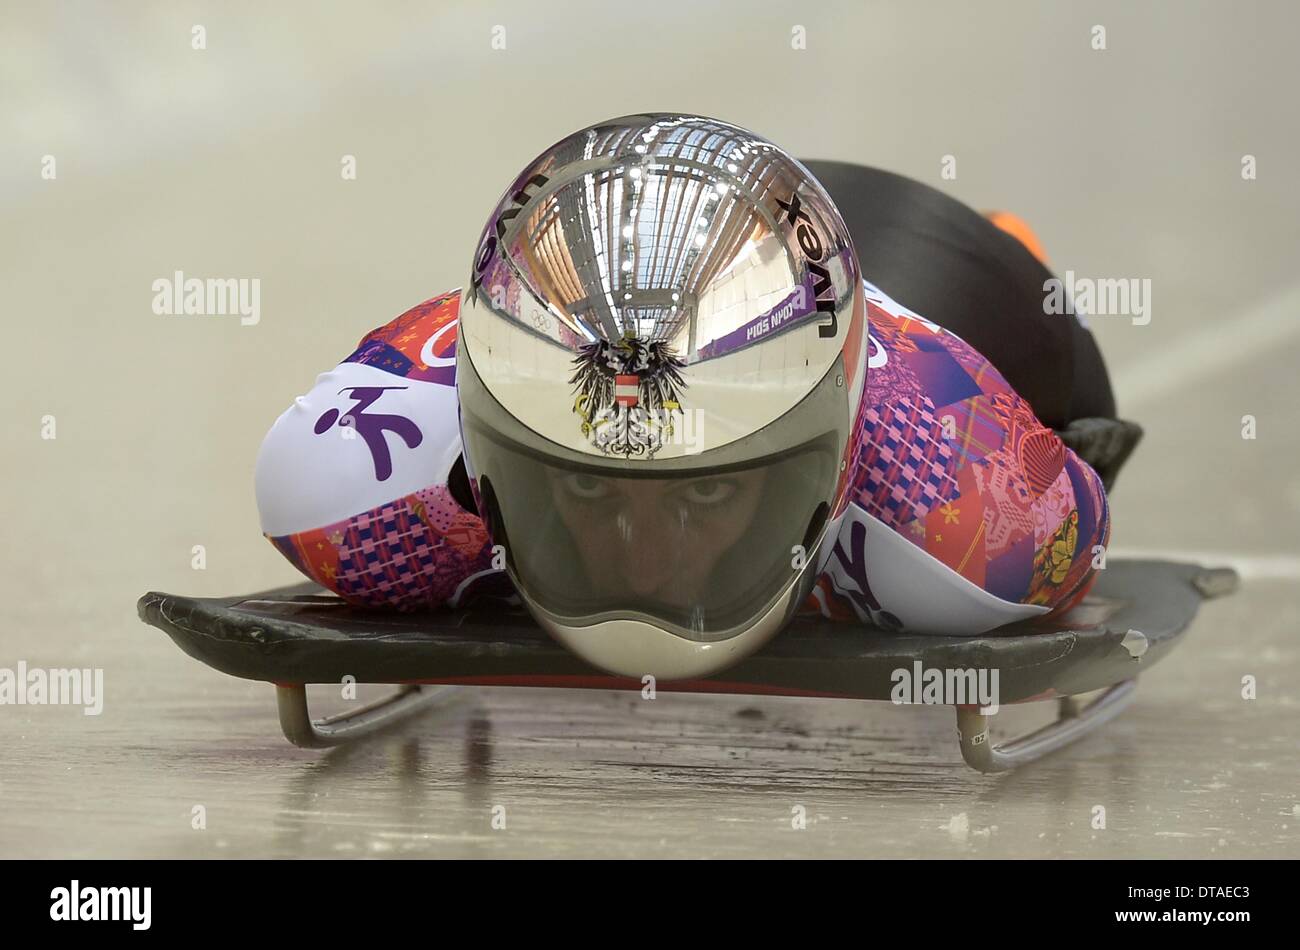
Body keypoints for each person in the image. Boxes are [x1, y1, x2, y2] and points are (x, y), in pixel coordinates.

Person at [254, 114, 1114, 680]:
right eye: (586, 485)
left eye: (705, 490)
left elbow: (1090, 517)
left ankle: (1009, 237)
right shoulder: (342, 493)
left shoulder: (968, 520)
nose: (646, 564)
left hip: (947, 252)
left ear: (839, 448)